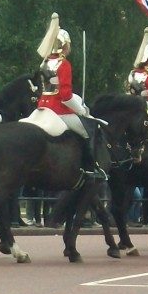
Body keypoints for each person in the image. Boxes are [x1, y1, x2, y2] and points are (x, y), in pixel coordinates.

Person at [34, 13, 106, 180]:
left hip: (42, 107)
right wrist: (81, 110)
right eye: (67, 45)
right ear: (63, 45)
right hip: (59, 110)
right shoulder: (63, 63)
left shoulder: (43, 63)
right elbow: (65, 96)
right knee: (90, 131)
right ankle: (91, 167)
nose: (68, 49)